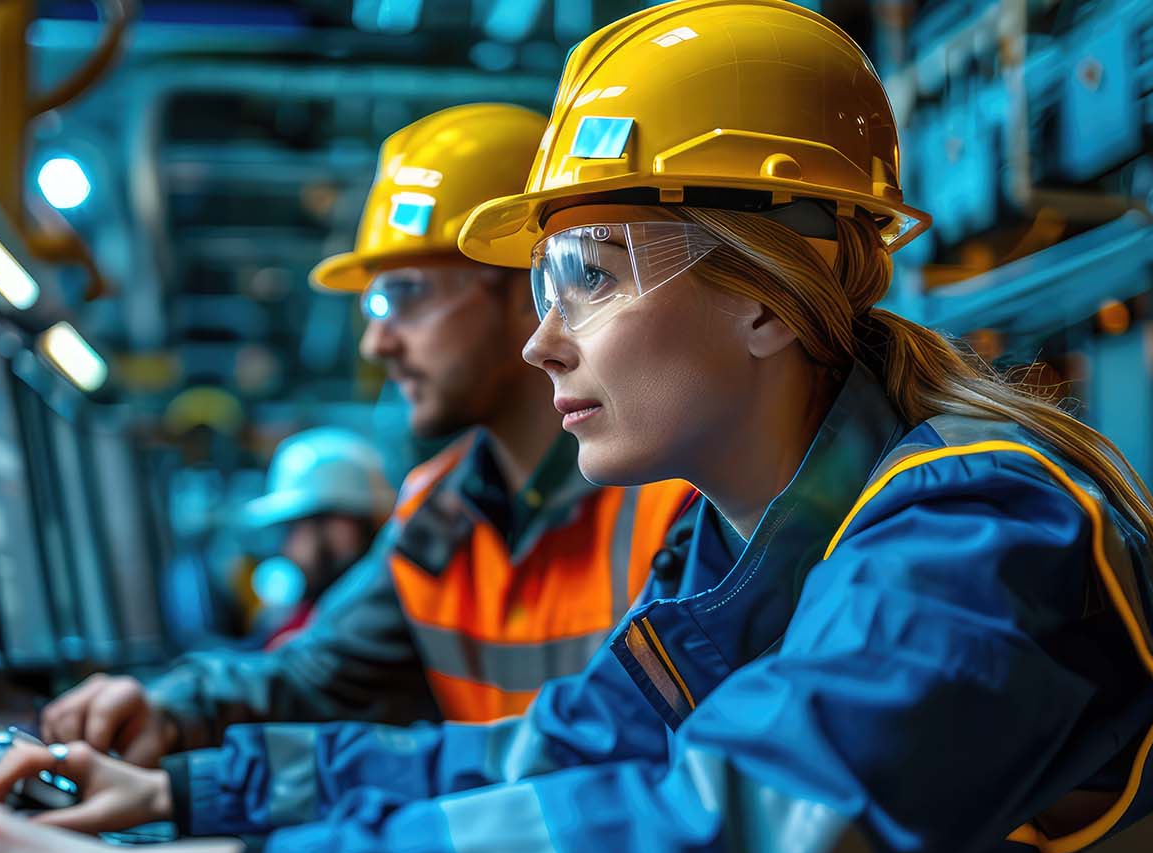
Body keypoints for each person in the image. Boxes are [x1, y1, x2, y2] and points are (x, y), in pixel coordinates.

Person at [0, 3, 1153, 853]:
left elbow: (743, 845)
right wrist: (192, 804)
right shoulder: (725, 555)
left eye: (585, 269)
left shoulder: (976, 528)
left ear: (768, 293)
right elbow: (543, 762)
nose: (546, 329)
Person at [38, 101, 697, 761]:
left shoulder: (673, 497)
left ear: (530, 286)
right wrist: (168, 709)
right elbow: (313, 675)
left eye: (404, 296)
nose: (378, 341)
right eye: (371, 305)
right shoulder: (437, 516)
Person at [239, 427, 394, 647]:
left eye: (293, 529)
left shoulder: (377, 626)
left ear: (341, 526)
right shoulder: (313, 619)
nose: (287, 548)